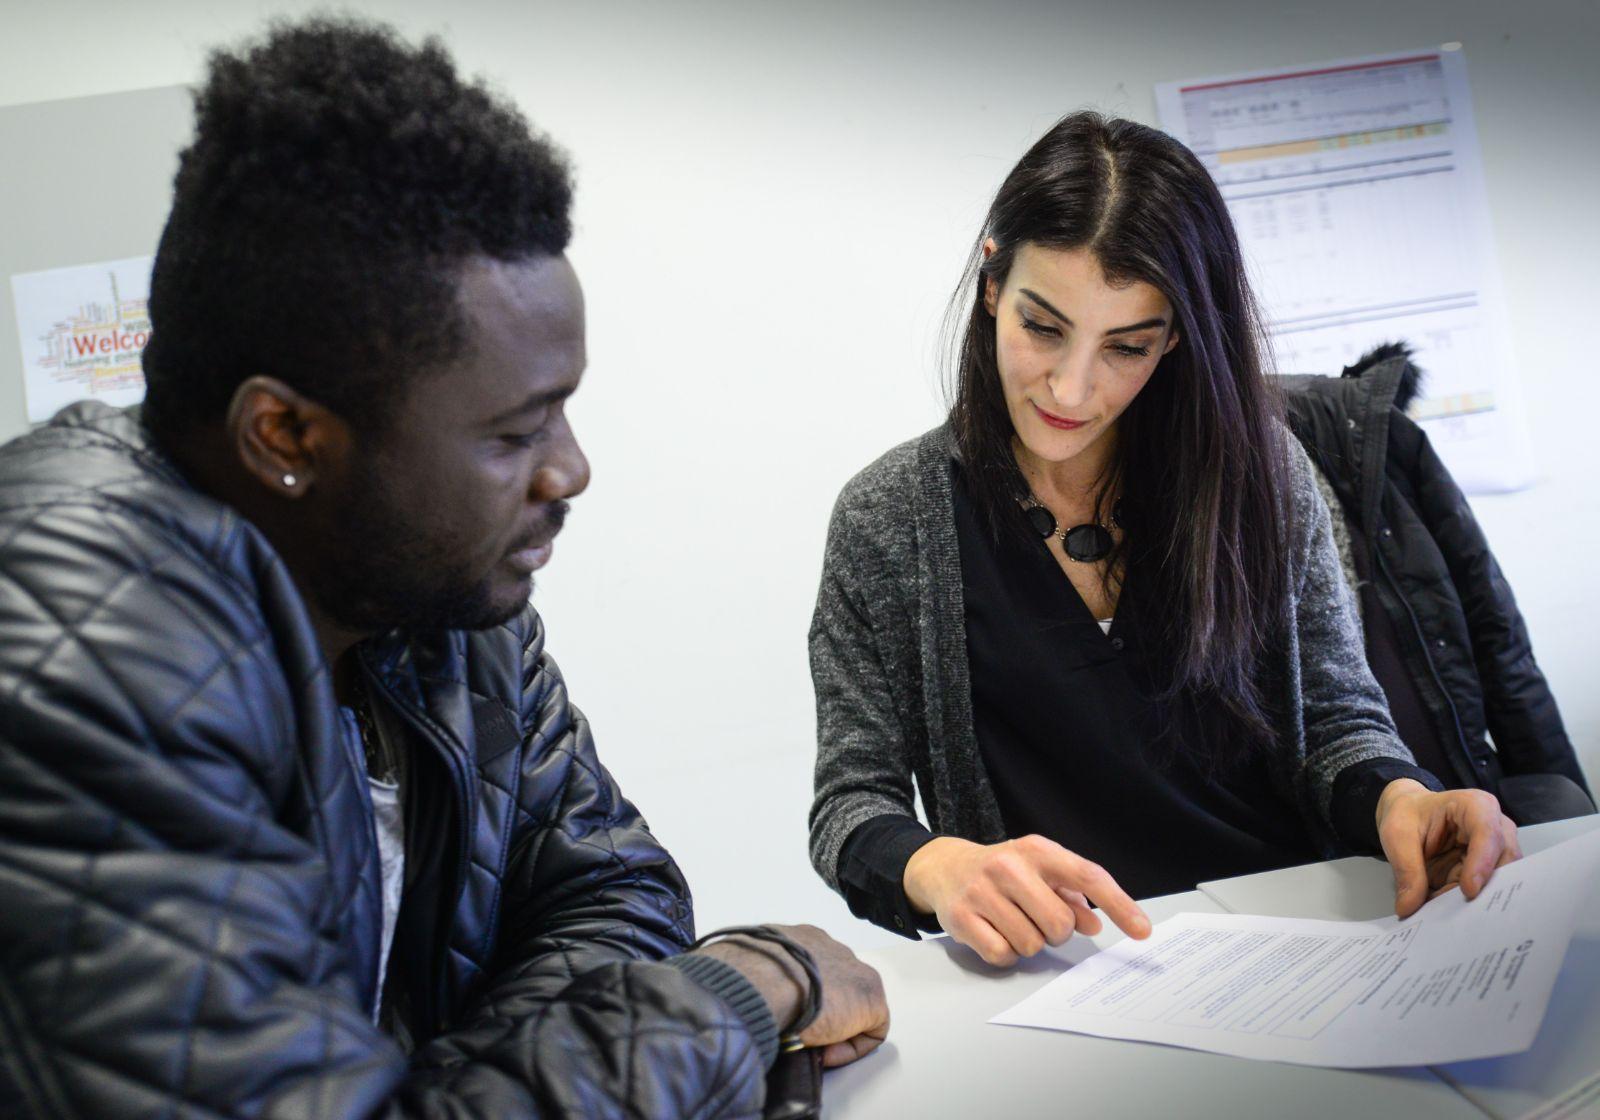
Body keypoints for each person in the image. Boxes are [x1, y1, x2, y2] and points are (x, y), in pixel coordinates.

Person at [0, 18, 886, 1118]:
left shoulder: (445, 598)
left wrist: (460, 1093)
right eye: (515, 434)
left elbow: (616, 891)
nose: (570, 471)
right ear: (285, 436)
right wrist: (751, 983)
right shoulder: (75, 643)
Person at [808, 111, 1522, 968]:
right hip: (1061, 978)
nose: (1072, 387)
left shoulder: (1263, 476)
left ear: (1177, 336)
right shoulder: (890, 519)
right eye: (1043, 327)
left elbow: (1338, 722)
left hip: (1303, 943)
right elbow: (850, 805)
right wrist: (938, 864)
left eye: (1128, 346)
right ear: (992, 283)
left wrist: (1399, 796)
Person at [1282, 342, 1594, 824]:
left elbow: (1496, 632)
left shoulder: (1356, 427)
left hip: (1442, 780)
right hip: (1322, 817)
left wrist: (1570, 832)